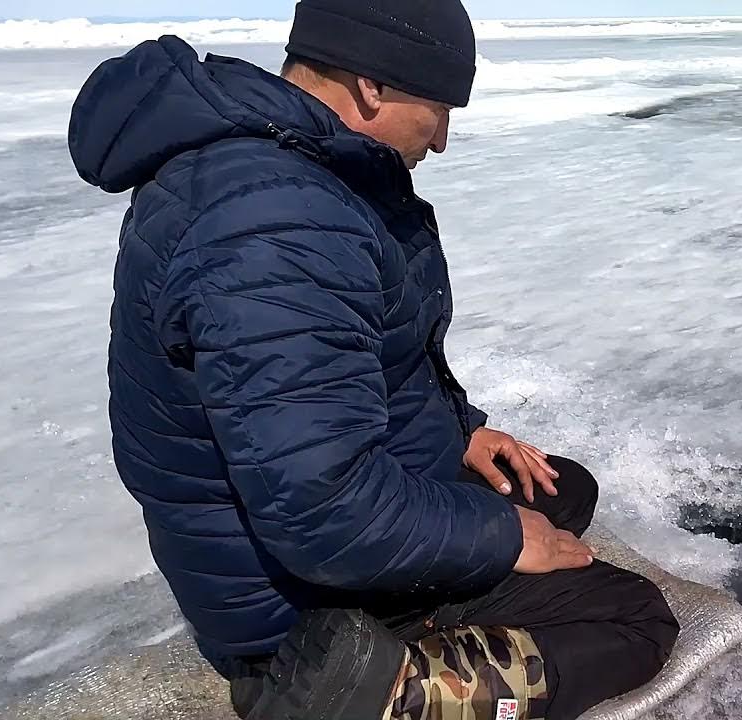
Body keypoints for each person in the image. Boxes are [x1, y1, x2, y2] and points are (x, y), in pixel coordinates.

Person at [66, 1, 679, 718]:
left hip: (288, 533)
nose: (443, 139)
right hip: (293, 606)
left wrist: (463, 435)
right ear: (372, 87)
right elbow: (324, 508)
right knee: (635, 619)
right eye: (441, 107)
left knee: (560, 492)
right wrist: (503, 536)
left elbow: (333, 383)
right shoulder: (276, 223)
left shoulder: (284, 171)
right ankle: (359, 688)